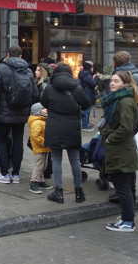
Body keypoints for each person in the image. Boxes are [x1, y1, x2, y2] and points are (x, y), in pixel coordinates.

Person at [0, 46, 38, 184]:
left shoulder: (1, 68)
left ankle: (5, 174)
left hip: (5, 113)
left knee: (1, 141)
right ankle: (16, 174)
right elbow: (35, 93)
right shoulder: (28, 70)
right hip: (22, 113)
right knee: (18, 142)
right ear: (21, 55)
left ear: (7, 55)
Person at [41, 63, 92, 204]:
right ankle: (79, 192)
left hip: (54, 126)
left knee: (56, 160)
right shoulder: (76, 87)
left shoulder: (50, 88)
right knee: (75, 160)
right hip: (72, 127)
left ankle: (58, 192)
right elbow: (87, 103)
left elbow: (43, 102)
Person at [101, 71, 138, 232]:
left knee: (123, 187)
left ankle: (128, 221)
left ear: (125, 84)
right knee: (127, 186)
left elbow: (126, 127)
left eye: (116, 81)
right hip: (123, 149)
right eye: (111, 80)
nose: (112, 83)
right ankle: (127, 217)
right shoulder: (121, 99)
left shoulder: (124, 101)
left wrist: (110, 138)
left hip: (121, 151)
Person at [27, 102, 53, 194]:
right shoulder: (37, 122)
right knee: (39, 165)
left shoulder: (42, 120)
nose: (46, 110)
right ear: (38, 111)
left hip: (44, 147)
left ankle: (41, 181)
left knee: (43, 165)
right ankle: (33, 182)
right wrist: (45, 142)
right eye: (44, 108)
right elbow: (35, 136)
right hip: (40, 147)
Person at [79, 61, 99, 130]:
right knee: (86, 110)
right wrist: (95, 78)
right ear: (89, 67)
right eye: (92, 67)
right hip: (88, 95)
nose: (93, 68)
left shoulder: (82, 73)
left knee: (85, 110)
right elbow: (93, 84)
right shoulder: (87, 75)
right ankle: (85, 125)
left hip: (84, 94)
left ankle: (86, 124)